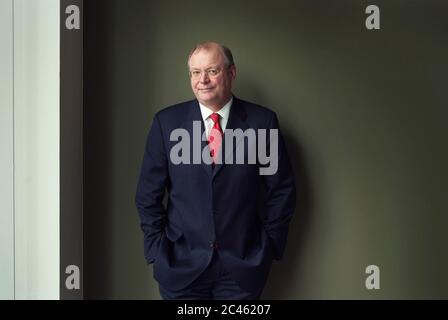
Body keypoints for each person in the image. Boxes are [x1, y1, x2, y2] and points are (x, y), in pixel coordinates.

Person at [135, 42, 296, 300]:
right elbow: (147, 195)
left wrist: (268, 246)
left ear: (231, 73)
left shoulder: (262, 122)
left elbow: (281, 190)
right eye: (195, 72)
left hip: (242, 267)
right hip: (180, 265)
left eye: (212, 71)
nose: (203, 80)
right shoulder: (166, 123)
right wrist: (156, 250)